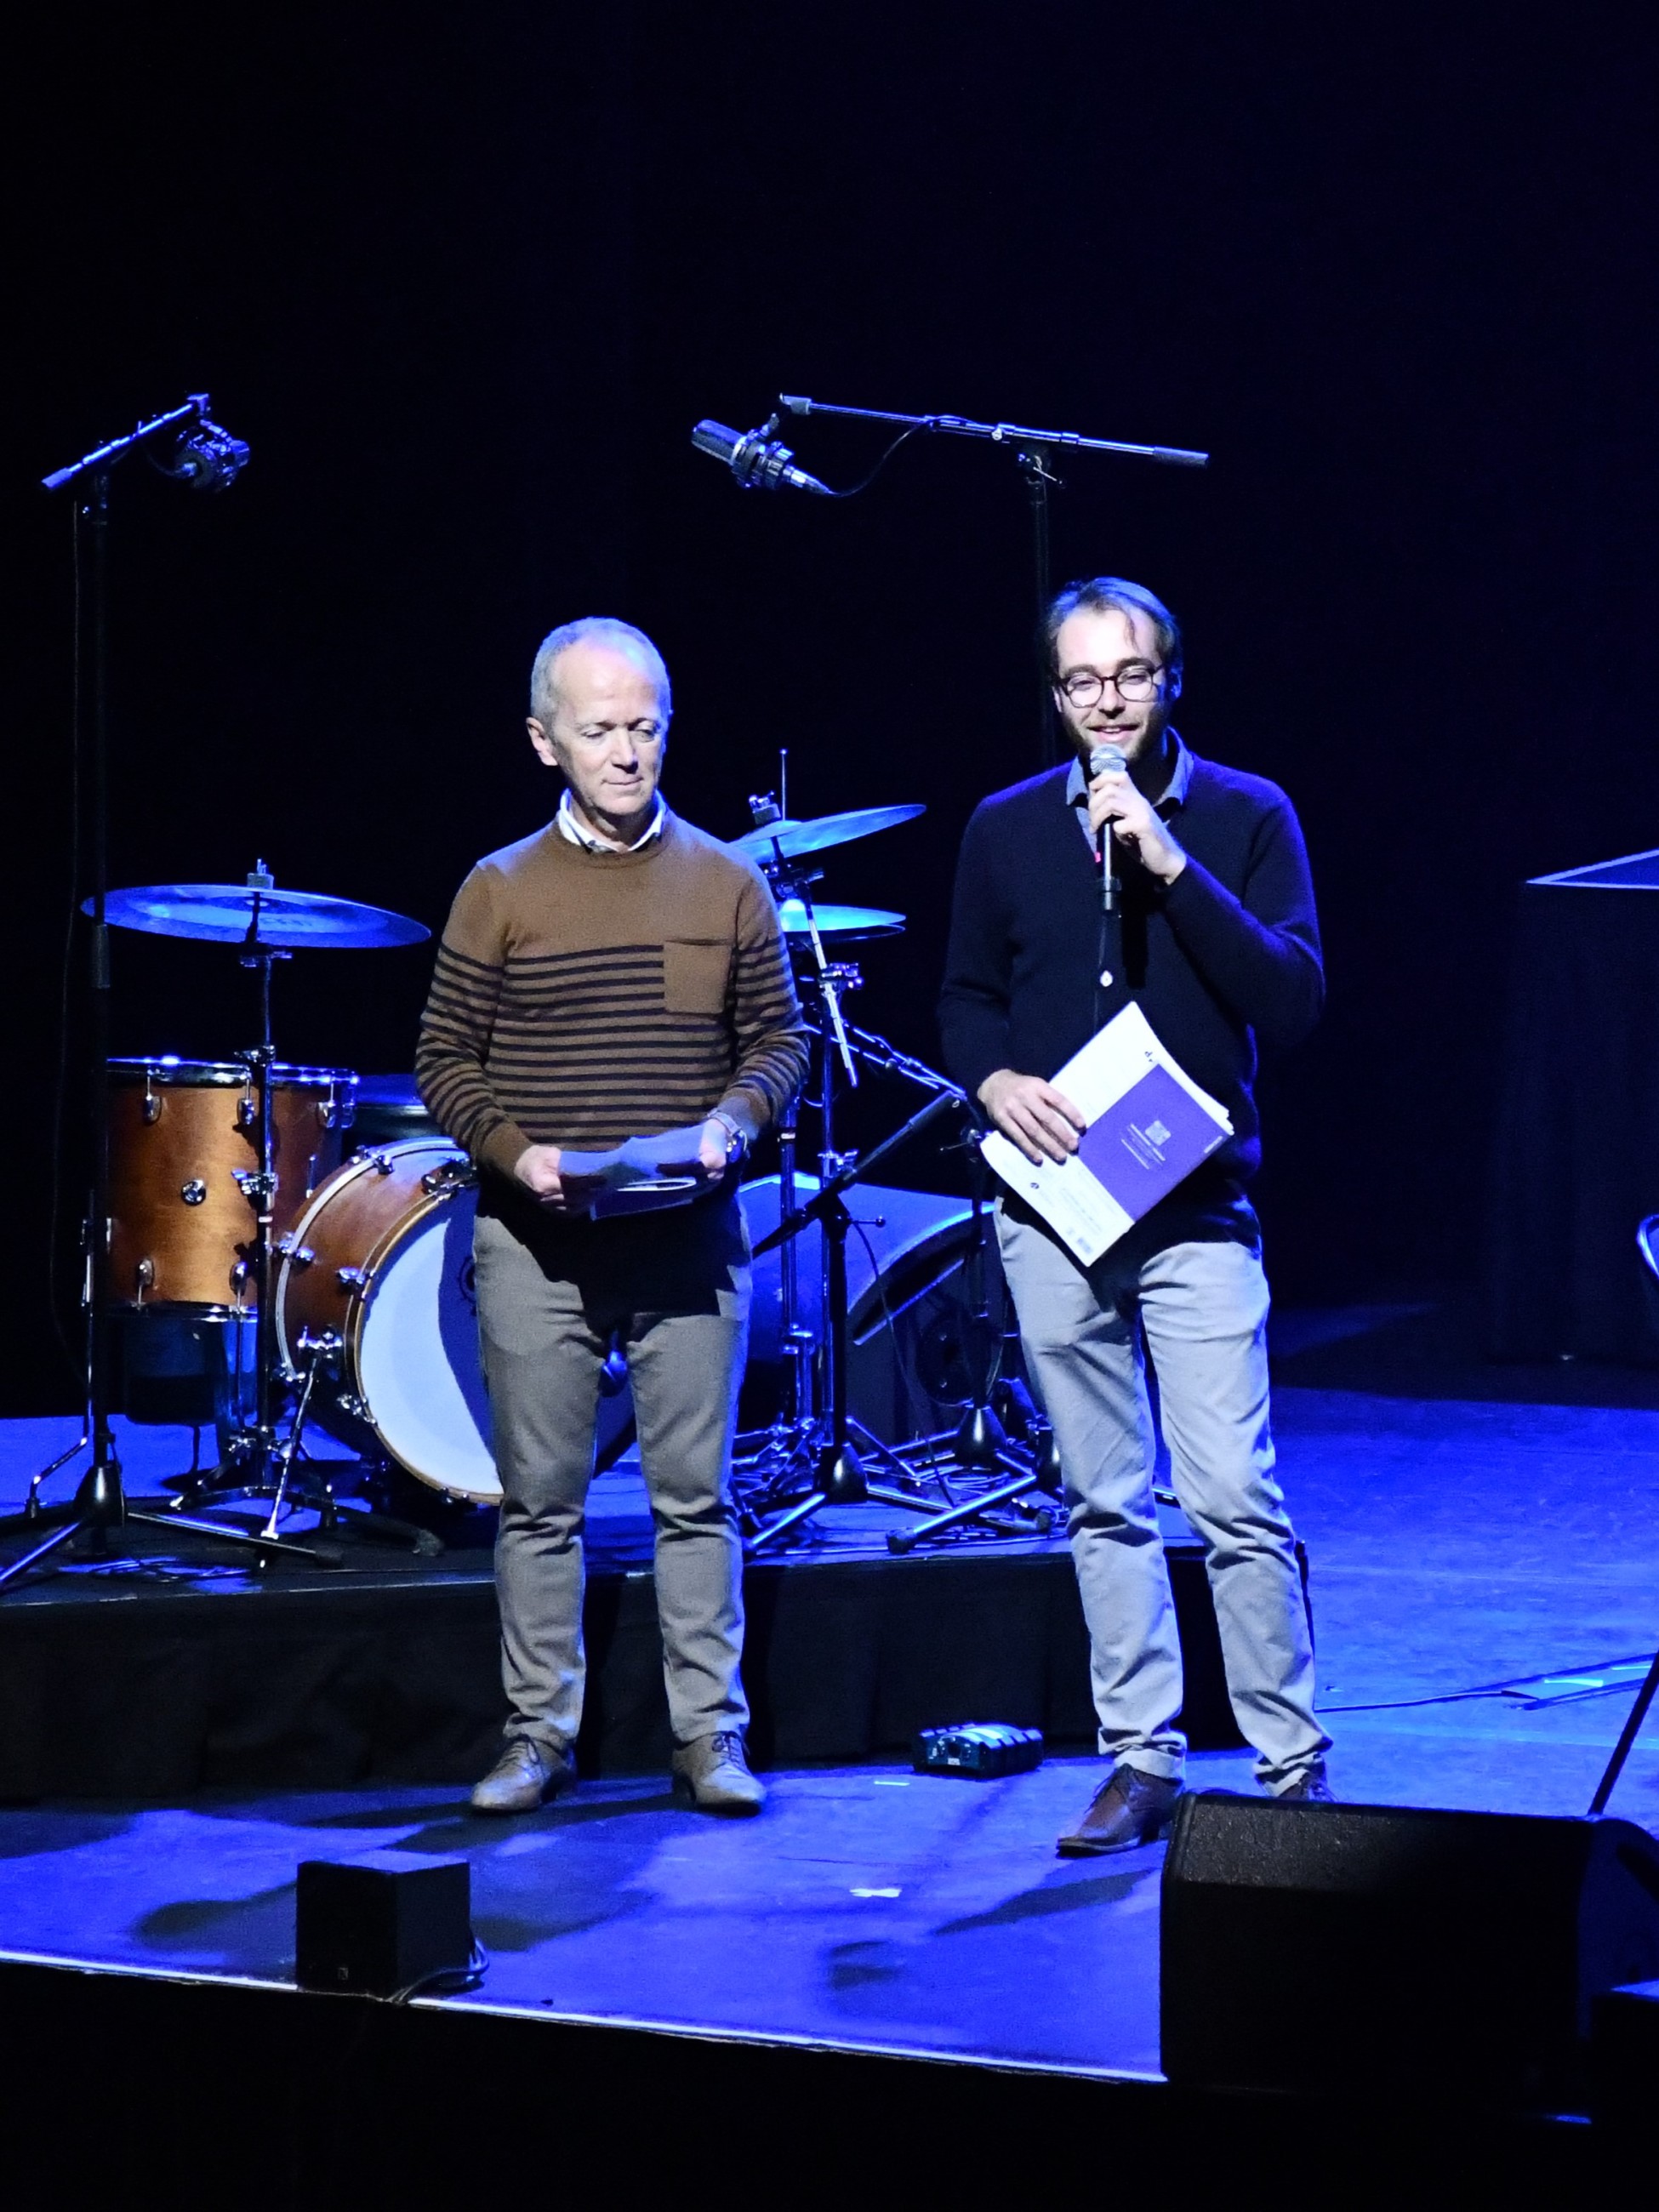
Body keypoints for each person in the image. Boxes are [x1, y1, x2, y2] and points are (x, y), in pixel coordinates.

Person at [939, 576, 1331, 1853]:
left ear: (1171, 680)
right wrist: (994, 1081)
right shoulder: (1005, 827)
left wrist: (1170, 866)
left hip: (1196, 1210)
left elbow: (1291, 997)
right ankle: (1141, 1759)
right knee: (1101, 1498)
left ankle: (1290, 1764)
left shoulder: (1247, 814)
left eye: (1130, 676)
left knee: (1231, 1495)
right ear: (1055, 694)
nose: (1106, 704)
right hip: (1054, 1211)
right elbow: (964, 999)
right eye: (1082, 682)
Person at [417, 617, 807, 1816]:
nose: (627, 753)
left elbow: (778, 1043)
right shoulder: (500, 889)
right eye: (599, 731)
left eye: (645, 727)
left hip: (687, 1239)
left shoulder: (726, 880)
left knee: (698, 1498)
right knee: (541, 1505)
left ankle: (710, 1738)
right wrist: (516, 1154)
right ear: (547, 742)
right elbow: (443, 1057)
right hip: (540, 1246)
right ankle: (537, 1737)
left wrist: (732, 1124)